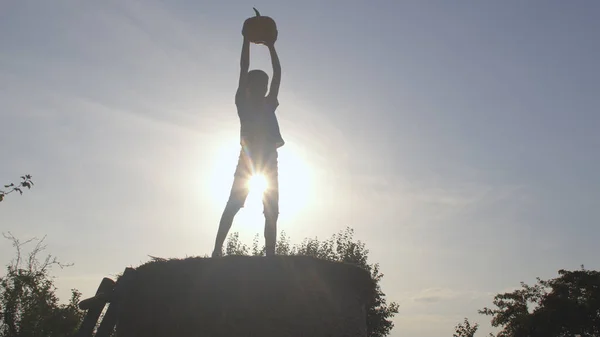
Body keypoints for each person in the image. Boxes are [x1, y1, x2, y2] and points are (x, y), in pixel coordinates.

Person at [212, 34, 283, 258]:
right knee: (233, 205)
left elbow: (278, 75)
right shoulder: (243, 102)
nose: (264, 86)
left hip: (269, 161)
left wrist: (272, 47)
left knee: (272, 211)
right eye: (259, 83)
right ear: (250, 86)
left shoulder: (268, 104)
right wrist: (245, 40)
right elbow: (244, 68)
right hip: (248, 161)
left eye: (265, 84)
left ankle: (270, 253)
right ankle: (217, 249)